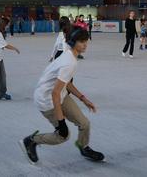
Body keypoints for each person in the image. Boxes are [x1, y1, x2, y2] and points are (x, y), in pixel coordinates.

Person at [20, 28, 105, 164]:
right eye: (81, 41)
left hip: (61, 95)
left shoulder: (71, 56)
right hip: (46, 100)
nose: (85, 44)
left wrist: (83, 99)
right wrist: (61, 122)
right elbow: (55, 94)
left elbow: (67, 83)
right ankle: (31, 141)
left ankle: (83, 147)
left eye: (86, 41)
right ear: (73, 42)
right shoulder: (69, 62)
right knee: (63, 135)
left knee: (84, 123)